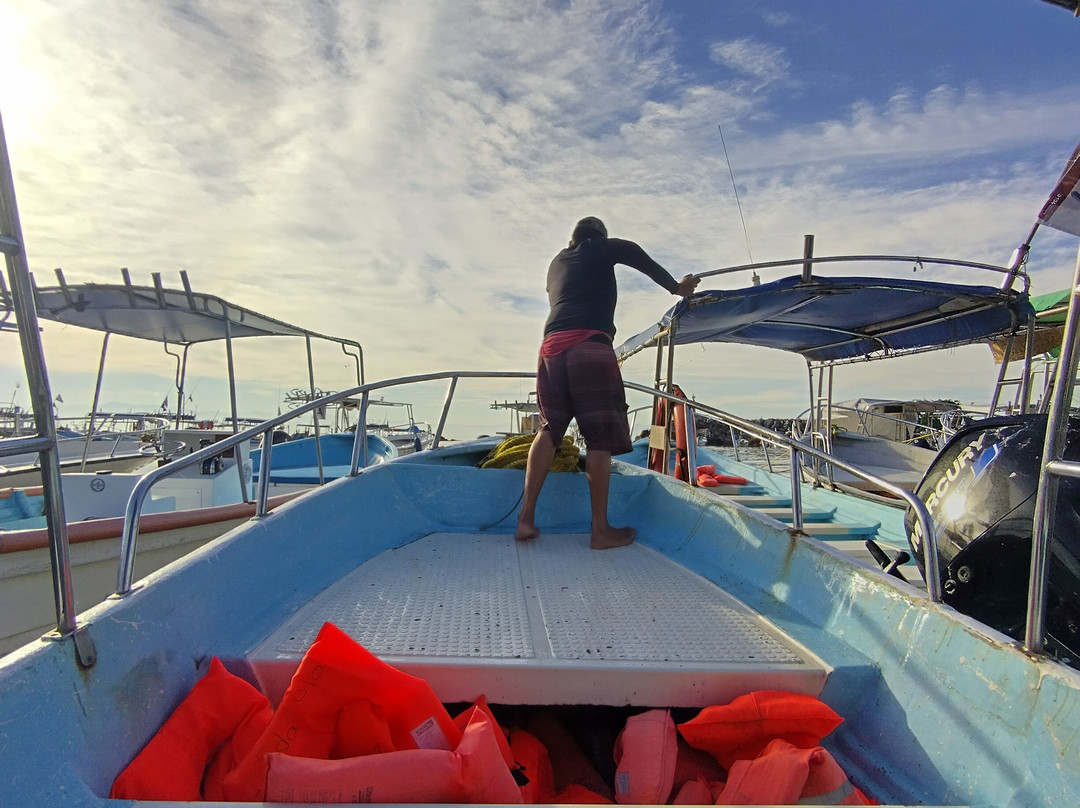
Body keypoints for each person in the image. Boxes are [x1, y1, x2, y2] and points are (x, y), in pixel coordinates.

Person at [515, 216, 700, 549]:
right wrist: (678, 288)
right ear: (597, 237)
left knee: (549, 429)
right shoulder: (598, 247)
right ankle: (600, 530)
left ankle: (525, 520)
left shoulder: (557, 262)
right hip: (589, 345)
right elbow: (632, 251)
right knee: (599, 439)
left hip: (550, 349)